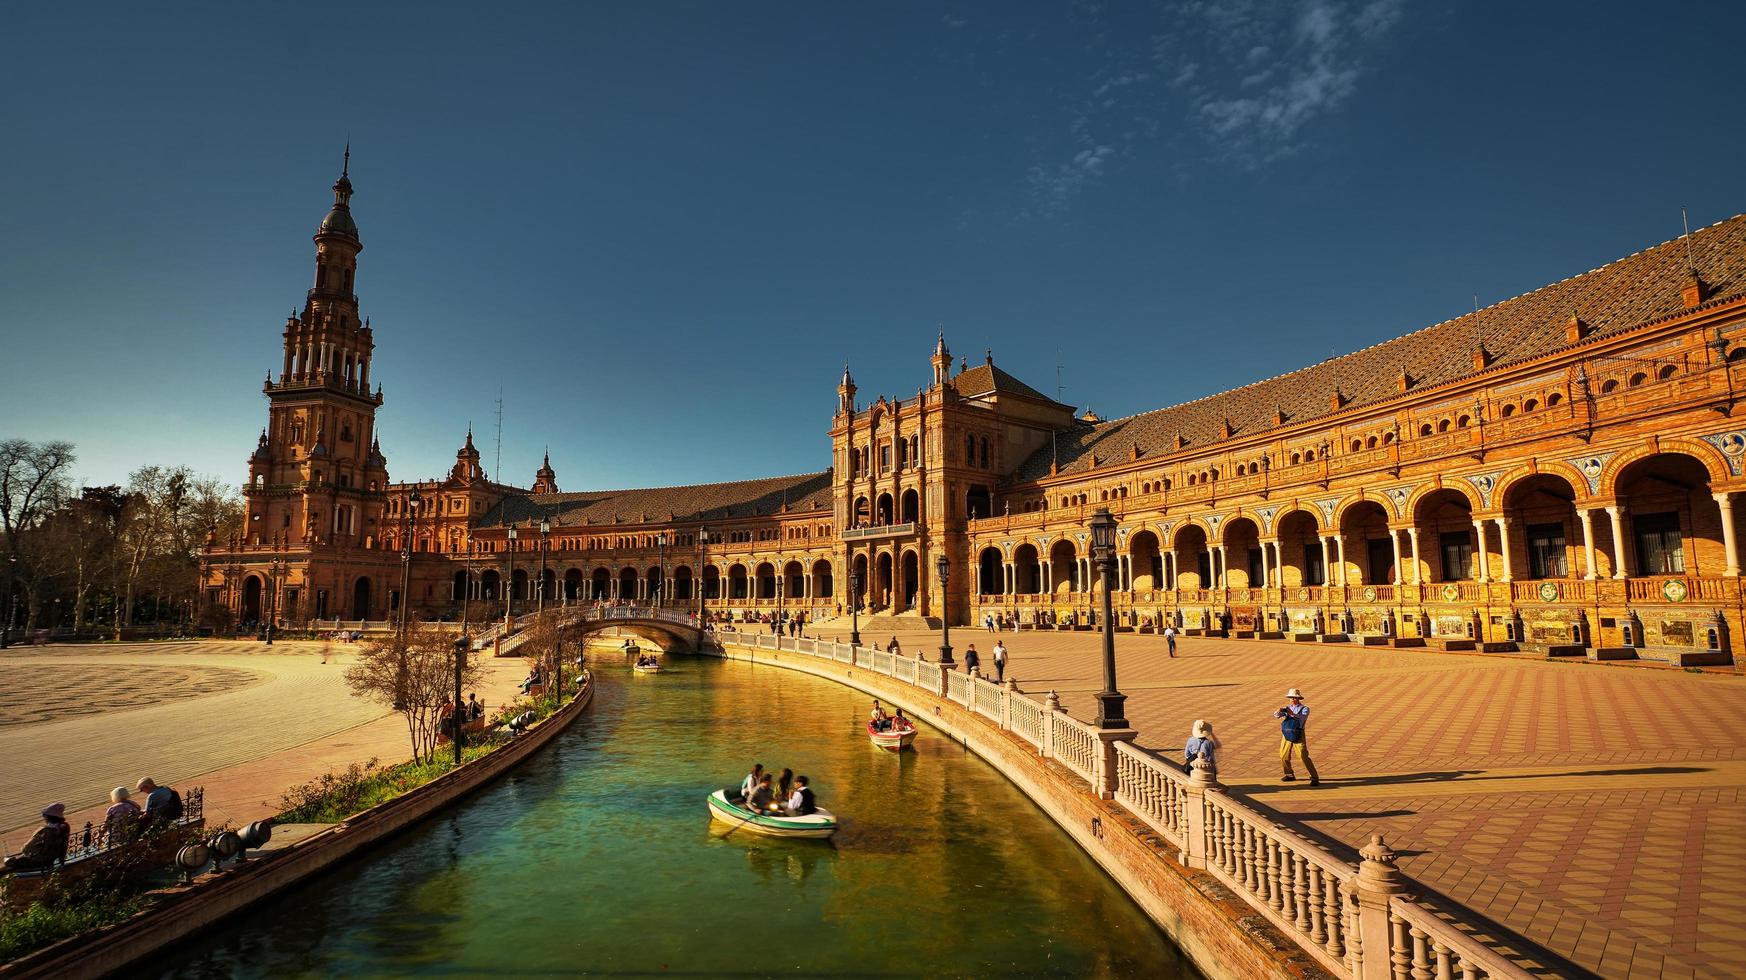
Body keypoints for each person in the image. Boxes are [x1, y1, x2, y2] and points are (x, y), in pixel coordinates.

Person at [3, 804, 70, 872]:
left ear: (47, 817)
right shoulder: (64, 827)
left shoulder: (45, 831)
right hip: (54, 857)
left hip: (40, 861)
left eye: (44, 816)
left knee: (9, 862)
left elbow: (26, 849)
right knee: (20, 857)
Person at [1274, 688, 1320, 785]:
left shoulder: (1305, 708)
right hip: (1286, 733)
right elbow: (1276, 716)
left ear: (1299, 698)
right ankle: (1289, 774)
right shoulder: (1288, 708)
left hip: (1298, 733)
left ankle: (1314, 777)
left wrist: (1291, 713)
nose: (1293, 699)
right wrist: (1279, 711)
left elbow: (1302, 717)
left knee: (1303, 756)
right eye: (1291, 698)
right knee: (1283, 754)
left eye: (1294, 698)